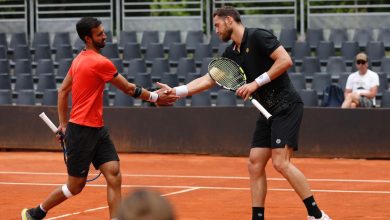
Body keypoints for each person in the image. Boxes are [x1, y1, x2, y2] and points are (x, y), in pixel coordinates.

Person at [159, 6, 331, 220]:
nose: (216, 30)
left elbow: (285, 60)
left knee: (280, 162)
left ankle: (316, 215)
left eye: (217, 25)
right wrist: (177, 91)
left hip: (286, 105)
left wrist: (254, 84)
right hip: (266, 110)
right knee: (255, 163)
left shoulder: (258, 36)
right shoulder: (230, 53)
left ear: (229, 20)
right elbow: (208, 80)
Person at [21, 17, 178, 220]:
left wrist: (63, 123)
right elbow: (129, 88)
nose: (105, 36)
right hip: (81, 131)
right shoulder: (99, 62)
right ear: (88, 38)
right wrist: (156, 97)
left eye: (103, 32)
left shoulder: (79, 59)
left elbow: (62, 91)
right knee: (75, 186)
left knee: (113, 173)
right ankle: (36, 213)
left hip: (97, 129)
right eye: (99, 34)